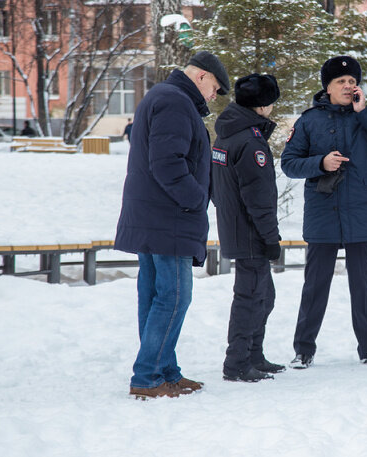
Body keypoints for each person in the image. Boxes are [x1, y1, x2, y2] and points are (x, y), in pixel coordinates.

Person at [114, 51, 229, 399]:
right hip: (170, 217)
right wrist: (196, 199)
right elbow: (167, 163)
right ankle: (148, 376)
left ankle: (165, 372)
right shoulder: (175, 102)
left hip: (156, 217)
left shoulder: (166, 97)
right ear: (202, 76)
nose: (214, 96)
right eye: (215, 88)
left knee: (155, 297)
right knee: (174, 297)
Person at [281, 55, 367, 369]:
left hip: (360, 212)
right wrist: (320, 163)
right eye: (341, 81)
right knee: (315, 286)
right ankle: (303, 350)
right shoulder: (308, 121)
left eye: (352, 81)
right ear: (328, 87)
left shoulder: (366, 116)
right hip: (323, 212)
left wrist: (365, 112)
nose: (348, 86)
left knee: (362, 286)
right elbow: (289, 164)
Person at [211, 73, 285, 382]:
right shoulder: (250, 141)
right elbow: (258, 197)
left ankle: (254, 355)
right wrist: (270, 237)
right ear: (263, 105)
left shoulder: (227, 134)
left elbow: (215, 187)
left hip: (237, 227)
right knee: (251, 299)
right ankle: (237, 363)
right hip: (251, 233)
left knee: (264, 296)